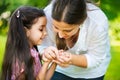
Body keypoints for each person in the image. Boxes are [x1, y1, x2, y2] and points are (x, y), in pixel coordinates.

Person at [38, 0, 111, 80]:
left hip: (91, 74)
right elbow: (41, 45)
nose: (60, 35)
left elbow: (95, 58)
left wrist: (71, 59)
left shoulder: (97, 23)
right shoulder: (47, 15)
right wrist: (45, 53)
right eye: (56, 27)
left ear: (81, 22)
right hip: (58, 70)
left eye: (68, 30)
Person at [1, 6, 56, 80]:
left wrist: (55, 62)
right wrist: (46, 63)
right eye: (41, 29)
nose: (45, 33)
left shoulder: (33, 51)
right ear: (25, 31)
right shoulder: (20, 61)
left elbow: (45, 77)